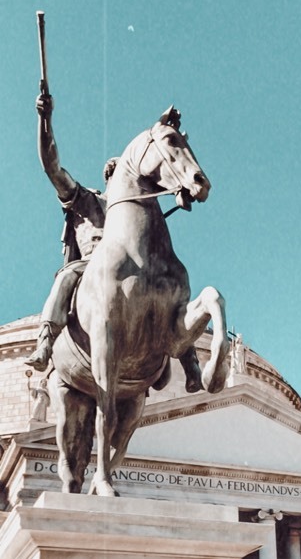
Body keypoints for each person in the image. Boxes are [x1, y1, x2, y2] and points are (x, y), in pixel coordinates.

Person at [26, 93, 202, 393]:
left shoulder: (145, 211)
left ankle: (189, 360)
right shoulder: (85, 200)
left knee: (170, 287)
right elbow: (52, 167)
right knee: (67, 276)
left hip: (137, 272)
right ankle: (46, 340)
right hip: (91, 268)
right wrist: (45, 119)